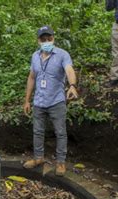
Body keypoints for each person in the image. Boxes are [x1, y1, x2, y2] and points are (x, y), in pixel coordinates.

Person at [23, 26, 78, 177]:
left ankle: (60, 162)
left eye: (49, 39)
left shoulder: (62, 55)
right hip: (39, 101)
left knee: (60, 132)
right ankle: (38, 158)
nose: (47, 41)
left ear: (53, 39)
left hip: (56, 101)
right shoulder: (35, 56)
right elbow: (32, 77)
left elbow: (69, 70)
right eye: (43, 39)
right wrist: (27, 100)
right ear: (38, 40)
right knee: (38, 131)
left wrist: (72, 85)